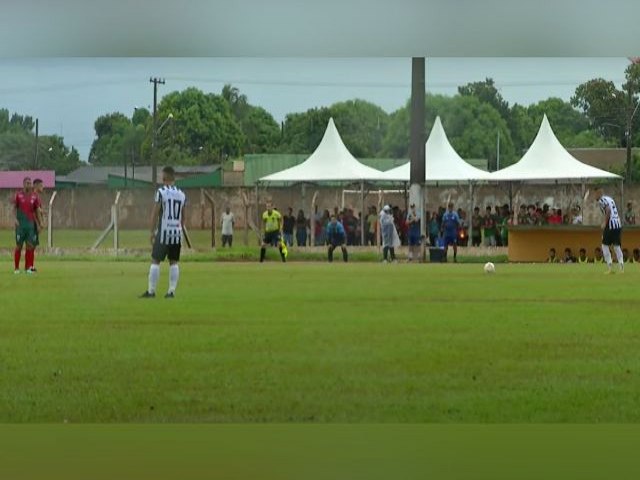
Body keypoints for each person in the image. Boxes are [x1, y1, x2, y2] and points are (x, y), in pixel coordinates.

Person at [140, 166, 187, 299]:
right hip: (176, 233)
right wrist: (179, 228)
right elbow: (184, 217)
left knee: (155, 260)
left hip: (164, 231)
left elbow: (155, 213)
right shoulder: (182, 194)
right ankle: (171, 292)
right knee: (174, 262)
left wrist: (151, 232)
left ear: (164, 178)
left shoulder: (161, 192)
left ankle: (151, 291)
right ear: (174, 178)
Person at [13, 177, 43, 274]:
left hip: (30, 225)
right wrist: (15, 219)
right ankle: (16, 268)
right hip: (21, 225)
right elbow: (14, 208)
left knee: (30, 246)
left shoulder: (34, 196)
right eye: (26, 183)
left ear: (31, 185)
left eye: (29, 183)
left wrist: (40, 223)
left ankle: (28, 268)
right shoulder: (18, 195)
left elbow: (37, 210)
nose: (28, 185)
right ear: (23, 184)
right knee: (18, 246)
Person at [595, 187, 624, 274]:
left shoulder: (602, 200)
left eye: (596, 194)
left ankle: (609, 266)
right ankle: (621, 267)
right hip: (617, 224)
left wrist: (605, 222)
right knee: (616, 246)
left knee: (604, 245)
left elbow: (608, 210)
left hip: (610, 225)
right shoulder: (609, 198)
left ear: (600, 193)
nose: (595, 196)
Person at [30, 178, 46, 272]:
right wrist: (40, 223)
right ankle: (30, 266)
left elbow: (38, 209)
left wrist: (42, 211)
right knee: (32, 245)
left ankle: (30, 265)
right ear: (36, 186)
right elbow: (35, 211)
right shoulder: (34, 196)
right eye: (41, 185)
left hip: (34, 223)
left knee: (33, 245)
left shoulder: (36, 196)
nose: (43, 187)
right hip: (33, 223)